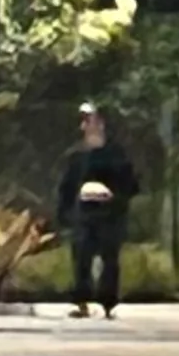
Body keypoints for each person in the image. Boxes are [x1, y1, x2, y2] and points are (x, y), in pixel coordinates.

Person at [55, 105, 141, 315]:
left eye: (89, 121)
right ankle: (81, 300)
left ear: (101, 124)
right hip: (83, 214)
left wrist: (114, 197)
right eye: (84, 122)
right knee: (81, 257)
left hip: (110, 215)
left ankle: (108, 302)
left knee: (110, 258)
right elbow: (67, 187)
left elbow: (130, 184)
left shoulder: (116, 155)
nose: (84, 126)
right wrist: (65, 214)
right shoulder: (76, 156)